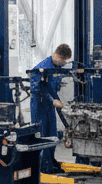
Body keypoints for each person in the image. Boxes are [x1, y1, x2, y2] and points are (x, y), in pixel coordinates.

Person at [30, 44, 73, 173]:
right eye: (63, 60)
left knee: (52, 134)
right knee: (43, 135)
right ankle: (43, 166)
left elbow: (54, 87)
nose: (63, 63)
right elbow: (37, 88)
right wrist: (52, 100)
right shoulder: (42, 68)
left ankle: (50, 161)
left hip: (49, 107)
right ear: (57, 55)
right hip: (39, 105)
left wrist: (57, 100)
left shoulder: (56, 68)